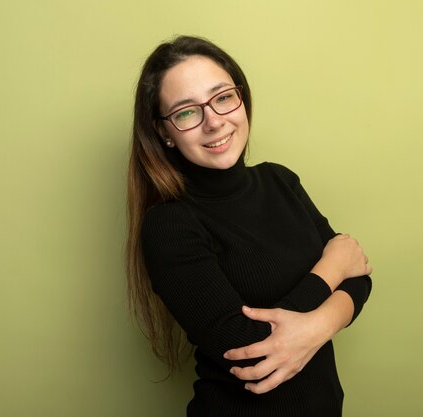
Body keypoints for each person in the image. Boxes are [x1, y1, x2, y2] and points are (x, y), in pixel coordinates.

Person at [126, 35, 372, 417]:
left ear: (241, 97)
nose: (214, 122)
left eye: (222, 97)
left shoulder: (280, 181)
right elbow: (249, 348)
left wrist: (319, 324)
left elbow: (359, 276)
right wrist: (331, 268)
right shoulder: (169, 224)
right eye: (187, 112)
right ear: (164, 133)